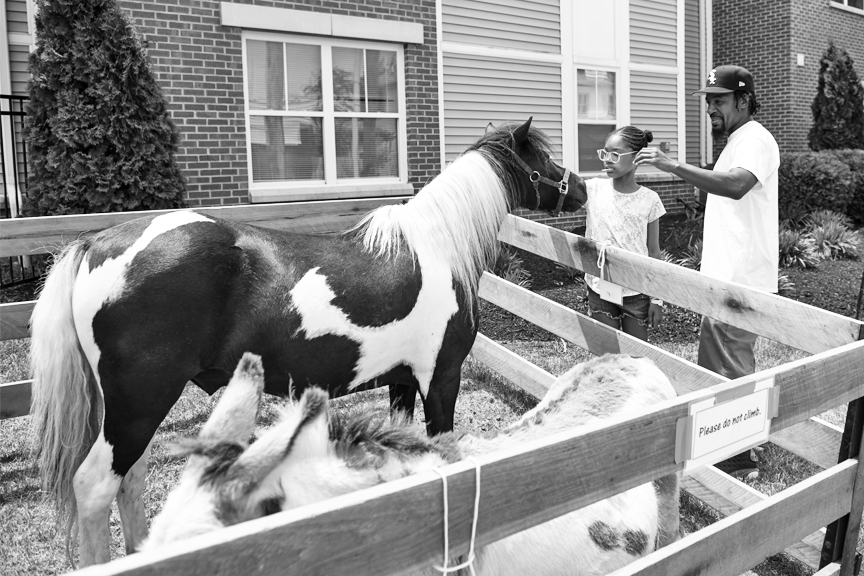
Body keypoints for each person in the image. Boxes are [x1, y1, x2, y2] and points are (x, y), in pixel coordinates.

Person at [634, 65, 780, 480]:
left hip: (742, 279)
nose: (711, 107)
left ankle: (740, 459)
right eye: (708, 101)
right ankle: (722, 448)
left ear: (744, 100)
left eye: (719, 100)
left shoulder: (756, 139)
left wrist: (673, 166)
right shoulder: (737, 140)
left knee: (732, 368)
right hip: (723, 276)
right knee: (714, 366)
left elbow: (735, 185)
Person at [583, 126, 666, 342]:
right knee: (606, 353)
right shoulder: (592, 189)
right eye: (605, 153)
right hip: (600, 288)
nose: (607, 160)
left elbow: (654, 253)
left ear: (637, 157)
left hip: (635, 292)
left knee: (636, 356)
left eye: (615, 154)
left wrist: (656, 299)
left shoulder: (650, 199)